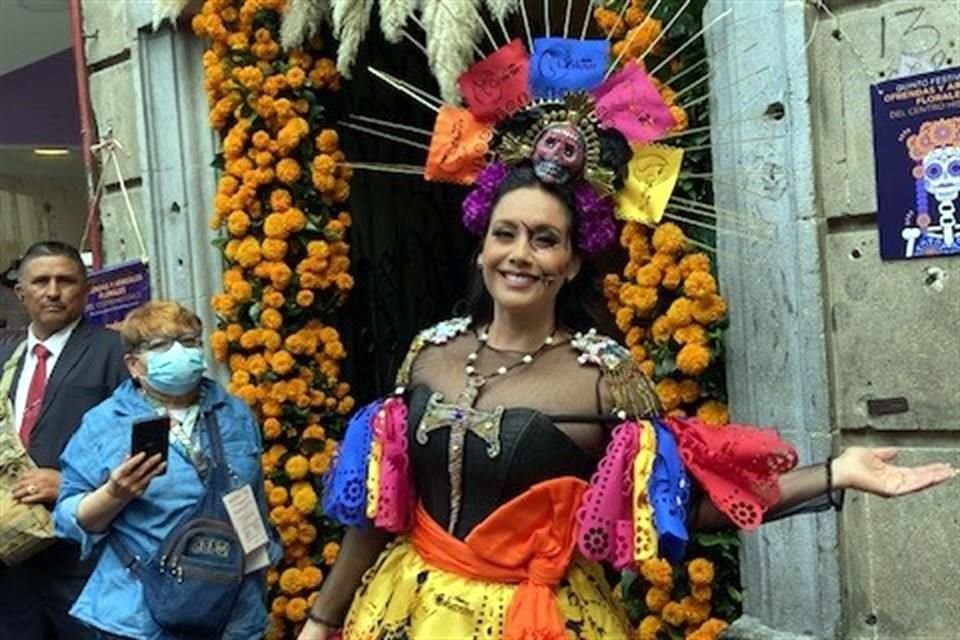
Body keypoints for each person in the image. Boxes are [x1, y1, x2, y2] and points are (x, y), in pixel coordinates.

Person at [296, 106, 957, 637]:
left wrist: (836, 472)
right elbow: (379, 514)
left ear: (574, 261)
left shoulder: (604, 376)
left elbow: (683, 502)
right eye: (506, 234)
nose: (519, 255)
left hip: (542, 621)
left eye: (545, 239)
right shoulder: (428, 353)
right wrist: (322, 620)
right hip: (406, 612)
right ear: (482, 243)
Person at [51, 300, 280, 640]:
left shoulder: (234, 413)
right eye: (160, 346)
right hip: (139, 616)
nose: (179, 353)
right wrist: (114, 495)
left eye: (188, 342)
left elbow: (255, 503)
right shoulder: (104, 423)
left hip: (233, 614)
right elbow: (68, 520)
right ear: (133, 365)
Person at [0, 241, 128, 640]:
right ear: (21, 293)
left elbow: (144, 445)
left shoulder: (116, 350)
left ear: (86, 290)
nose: (53, 291)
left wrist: (73, 486)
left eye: (65, 281)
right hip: (12, 560)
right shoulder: (6, 356)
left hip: (81, 558)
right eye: (41, 281)